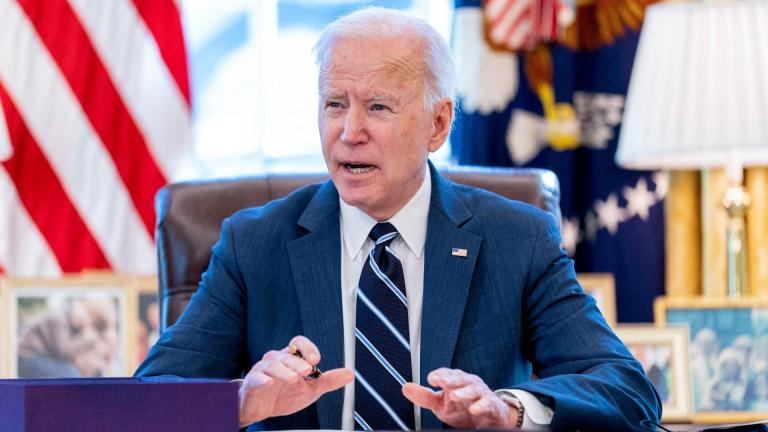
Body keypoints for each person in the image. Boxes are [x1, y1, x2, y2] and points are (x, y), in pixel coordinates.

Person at [136, 7, 661, 431]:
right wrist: (240, 403)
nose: (349, 131)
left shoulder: (516, 239)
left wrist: (509, 410)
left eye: (379, 107)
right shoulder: (254, 243)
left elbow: (625, 389)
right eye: (334, 103)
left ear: (438, 124)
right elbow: (140, 406)